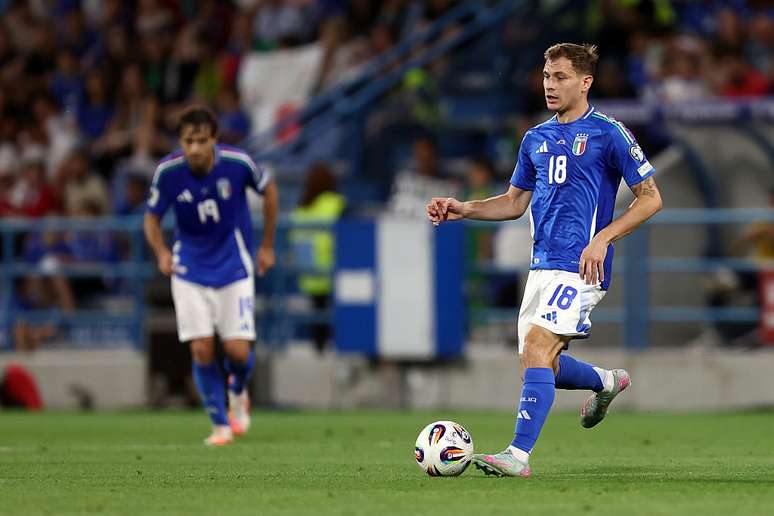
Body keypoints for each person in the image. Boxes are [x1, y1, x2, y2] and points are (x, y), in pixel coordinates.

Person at [427, 43, 663, 477]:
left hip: (582, 266)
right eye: (546, 76)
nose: (550, 85)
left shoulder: (609, 133)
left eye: (560, 77)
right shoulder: (535, 138)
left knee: (537, 347)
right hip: (541, 266)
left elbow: (651, 198)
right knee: (541, 364)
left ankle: (517, 456)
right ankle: (606, 381)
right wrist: (464, 208)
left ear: (585, 82)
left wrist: (603, 239)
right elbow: (514, 202)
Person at [143, 106, 278, 446]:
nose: (195, 149)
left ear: (214, 139)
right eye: (188, 141)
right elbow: (151, 218)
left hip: (234, 265)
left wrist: (267, 246)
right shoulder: (168, 172)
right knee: (201, 348)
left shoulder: (238, 163)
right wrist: (161, 252)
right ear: (180, 141)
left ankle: (238, 391)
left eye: (202, 141)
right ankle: (220, 424)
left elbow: (270, 192)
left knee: (238, 352)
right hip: (189, 268)